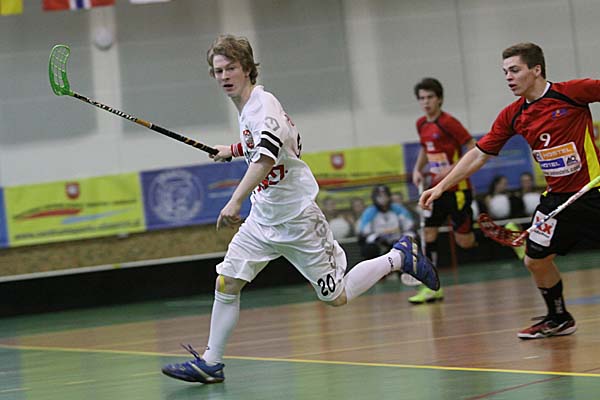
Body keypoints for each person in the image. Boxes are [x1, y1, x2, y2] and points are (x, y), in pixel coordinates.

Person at [161, 34, 439, 384]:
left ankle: (399, 257)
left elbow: (265, 158)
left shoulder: (263, 105)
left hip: (297, 220)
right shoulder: (249, 109)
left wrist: (234, 200)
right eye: (218, 71)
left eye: (230, 68)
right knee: (227, 281)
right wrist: (232, 150)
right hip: (263, 219)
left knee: (336, 296)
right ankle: (210, 362)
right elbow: (263, 144)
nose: (224, 76)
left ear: (246, 68)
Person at [420, 42, 600, 339]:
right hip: (556, 200)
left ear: (536, 70)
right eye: (505, 72)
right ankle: (559, 318)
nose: (508, 77)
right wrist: (441, 186)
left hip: (593, 192)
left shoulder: (571, 92)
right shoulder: (513, 115)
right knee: (535, 260)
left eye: (514, 70)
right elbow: (479, 154)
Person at [411, 78, 477, 304]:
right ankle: (432, 287)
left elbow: (473, 147)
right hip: (435, 190)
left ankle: (506, 235)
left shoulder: (449, 123)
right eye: (422, 98)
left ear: (439, 99)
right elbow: (425, 148)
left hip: (457, 190)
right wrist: (417, 169)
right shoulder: (421, 124)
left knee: (464, 242)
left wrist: (452, 168)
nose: (426, 102)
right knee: (428, 234)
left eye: (430, 97)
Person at [357, 184, 415, 260]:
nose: (383, 199)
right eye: (379, 196)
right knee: (370, 247)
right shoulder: (369, 212)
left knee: (413, 239)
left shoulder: (398, 209)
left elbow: (408, 224)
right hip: (379, 242)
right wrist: (379, 238)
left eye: (385, 196)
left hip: (398, 240)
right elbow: (365, 231)